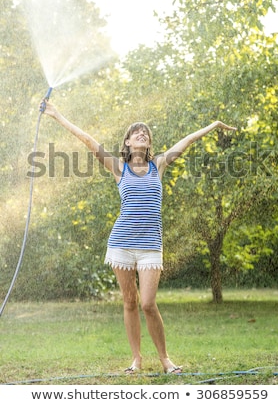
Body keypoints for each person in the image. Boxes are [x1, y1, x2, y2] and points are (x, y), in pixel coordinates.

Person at [40, 99, 237, 374]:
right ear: (128, 143)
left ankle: (165, 359)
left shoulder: (159, 165)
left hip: (150, 247)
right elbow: (87, 139)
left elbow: (187, 141)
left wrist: (214, 125)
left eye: (145, 132)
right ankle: (136, 359)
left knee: (148, 303)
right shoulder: (119, 168)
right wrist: (57, 114)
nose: (142, 134)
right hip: (121, 244)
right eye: (136, 132)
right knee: (130, 302)